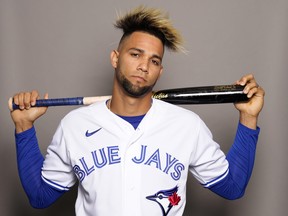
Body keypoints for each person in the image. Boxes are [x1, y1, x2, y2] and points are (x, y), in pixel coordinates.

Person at [10, 6, 265, 216]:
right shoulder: (74, 125)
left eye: (154, 61)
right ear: (115, 58)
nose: (144, 66)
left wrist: (248, 117)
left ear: (160, 71)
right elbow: (40, 196)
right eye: (135, 54)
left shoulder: (187, 125)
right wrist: (24, 128)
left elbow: (232, 188)